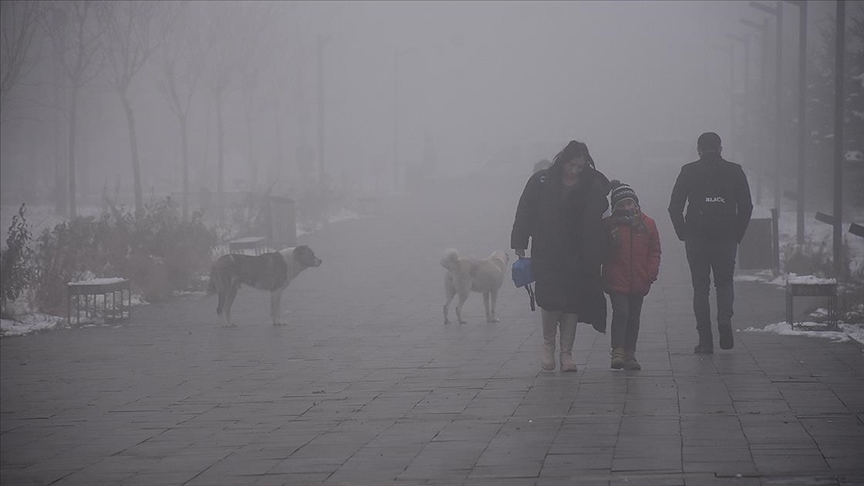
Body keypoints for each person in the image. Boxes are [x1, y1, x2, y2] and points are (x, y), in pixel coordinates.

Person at [511, 140, 610, 372]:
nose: (574, 170)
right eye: (571, 165)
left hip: (578, 253)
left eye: (579, 166)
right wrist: (519, 242)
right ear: (563, 160)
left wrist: (601, 250)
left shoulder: (591, 185)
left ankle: (567, 353)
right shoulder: (541, 181)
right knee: (550, 299)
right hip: (547, 250)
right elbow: (525, 210)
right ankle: (548, 346)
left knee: (572, 302)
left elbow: (603, 217)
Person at [668, 132, 753, 354]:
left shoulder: (689, 171)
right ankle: (724, 319)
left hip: (696, 237)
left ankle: (705, 340)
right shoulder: (735, 171)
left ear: (698, 150)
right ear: (720, 148)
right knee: (724, 283)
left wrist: (683, 232)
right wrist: (737, 234)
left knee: (700, 287)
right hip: (725, 237)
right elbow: (746, 206)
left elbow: (674, 206)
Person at [603, 181, 661, 370]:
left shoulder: (647, 224)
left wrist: (650, 273)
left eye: (630, 203)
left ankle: (630, 353)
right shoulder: (609, 225)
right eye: (622, 204)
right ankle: (618, 350)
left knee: (634, 317)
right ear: (615, 207)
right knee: (621, 313)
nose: (627, 207)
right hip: (616, 279)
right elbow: (601, 251)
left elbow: (654, 250)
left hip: (639, 279)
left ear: (636, 203)